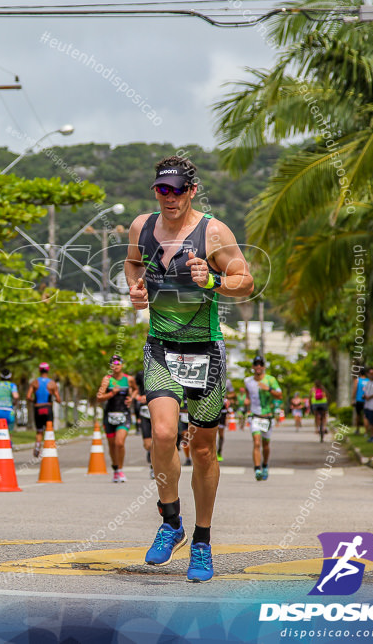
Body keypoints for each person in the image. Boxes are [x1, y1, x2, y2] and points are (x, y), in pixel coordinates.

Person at [125, 154, 254, 582]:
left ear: (192, 191)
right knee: (162, 433)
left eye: (178, 190)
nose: (170, 198)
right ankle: (170, 520)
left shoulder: (213, 232)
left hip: (206, 351)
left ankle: (202, 540)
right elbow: (132, 263)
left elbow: (246, 280)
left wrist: (213, 281)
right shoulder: (142, 227)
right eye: (162, 189)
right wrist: (135, 288)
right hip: (161, 346)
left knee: (202, 450)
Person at [96, 355, 137, 482]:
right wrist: (111, 393)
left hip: (124, 414)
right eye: (113, 364)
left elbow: (135, 389)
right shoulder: (107, 380)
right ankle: (115, 469)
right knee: (112, 445)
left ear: (122, 365)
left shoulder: (128, 379)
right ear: (111, 366)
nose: (116, 366)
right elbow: (99, 397)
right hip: (109, 415)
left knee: (119, 443)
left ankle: (120, 469)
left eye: (118, 363)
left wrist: (132, 398)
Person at [243, 356, 282, 481]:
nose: (258, 366)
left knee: (265, 445)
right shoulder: (247, 381)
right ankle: (257, 469)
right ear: (253, 367)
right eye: (256, 364)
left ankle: (265, 465)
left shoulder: (270, 380)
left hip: (267, 417)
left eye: (260, 364)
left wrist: (269, 389)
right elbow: (248, 395)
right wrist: (247, 401)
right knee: (256, 442)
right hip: (254, 416)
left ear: (264, 367)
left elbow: (279, 395)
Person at [27, 362, 61, 458]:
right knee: (49, 429)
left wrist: (34, 401)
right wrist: (54, 399)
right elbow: (58, 399)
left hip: (38, 407)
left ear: (39, 370)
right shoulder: (52, 383)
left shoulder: (34, 382)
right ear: (48, 370)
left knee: (39, 430)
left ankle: (38, 445)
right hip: (47, 407)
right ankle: (49, 448)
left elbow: (28, 396)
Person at [133, 370, 154, 479]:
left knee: (159, 439)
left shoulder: (164, 370)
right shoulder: (140, 374)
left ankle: (154, 467)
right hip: (144, 411)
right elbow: (134, 389)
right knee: (148, 444)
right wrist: (137, 397)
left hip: (157, 410)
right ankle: (151, 458)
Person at [353, 369, 369, 436]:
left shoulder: (357, 380)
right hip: (366, 400)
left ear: (359, 373)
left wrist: (353, 398)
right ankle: (366, 432)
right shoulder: (368, 381)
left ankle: (357, 429)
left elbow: (355, 389)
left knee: (358, 415)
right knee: (365, 416)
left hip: (359, 400)